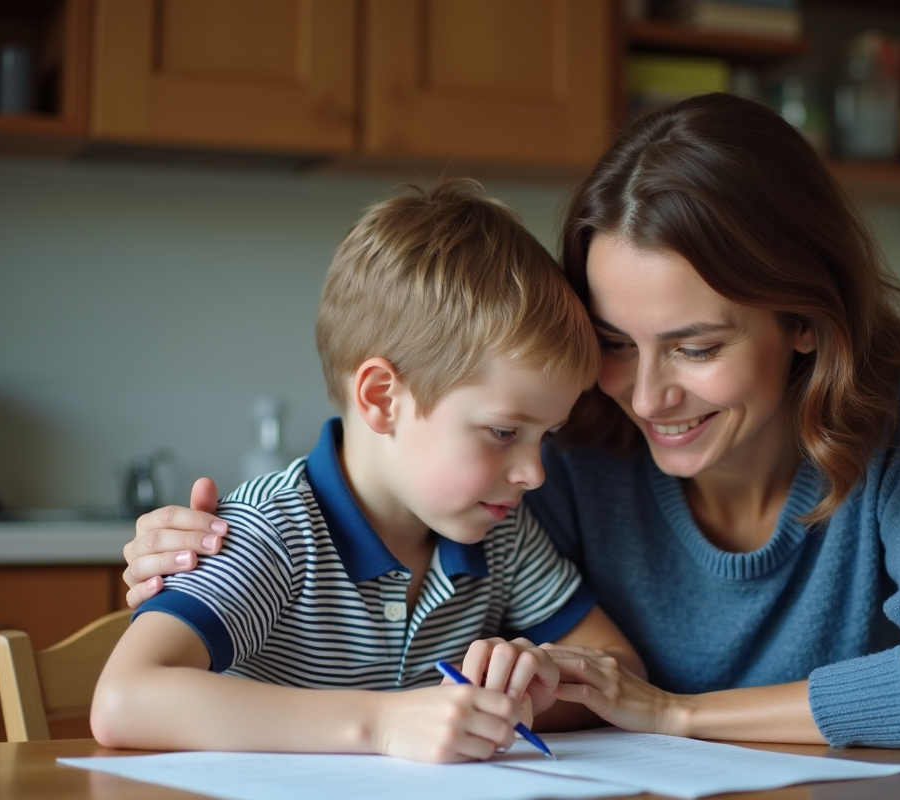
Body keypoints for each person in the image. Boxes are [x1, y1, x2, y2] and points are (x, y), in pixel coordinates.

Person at [119, 94, 900, 751]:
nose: (642, 399)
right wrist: (201, 555)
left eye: (693, 345)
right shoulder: (555, 443)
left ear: (802, 319)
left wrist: (674, 715)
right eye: (612, 343)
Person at [90, 180, 642, 763]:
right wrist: (381, 724)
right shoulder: (269, 531)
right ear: (382, 399)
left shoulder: (502, 533)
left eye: (544, 438)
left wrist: (538, 687)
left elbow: (623, 668)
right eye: (504, 433)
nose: (534, 473)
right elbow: (124, 698)